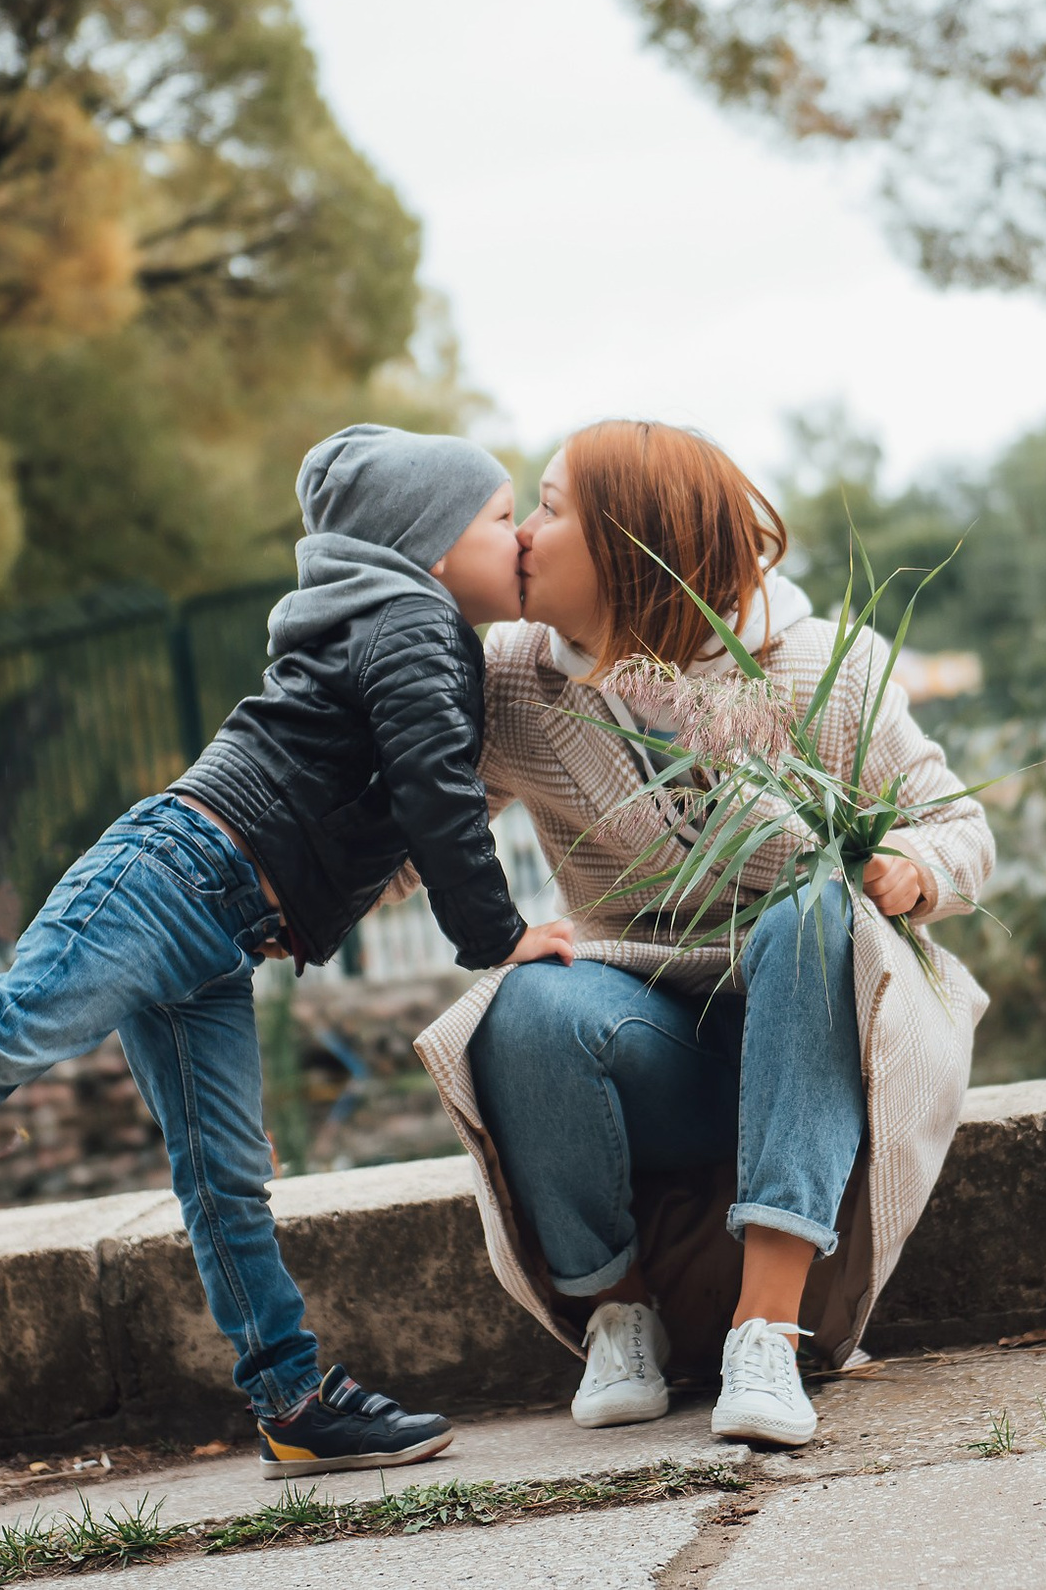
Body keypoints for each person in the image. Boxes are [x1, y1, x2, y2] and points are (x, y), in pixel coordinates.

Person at [0, 424, 577, 1477]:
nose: (517, 541)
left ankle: (289, 1393)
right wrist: (500, 939)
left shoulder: (396, 622)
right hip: (173, 876)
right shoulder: (415, 620)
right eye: (502, 519)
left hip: (219, 921)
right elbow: (436, 796)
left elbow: (383, 809)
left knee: (225, 1172)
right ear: (422, 544)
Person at [413, 419, 995, 1449]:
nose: (524, 536)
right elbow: (416, 836)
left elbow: (959, 826)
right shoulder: (511, 678)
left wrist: (909, 870)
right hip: (655, 1047)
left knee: (815, 911)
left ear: (633, 546)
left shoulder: (823, 671)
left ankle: (765, 1330)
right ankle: (619, 1316)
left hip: (821, 1024)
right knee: (527, 996)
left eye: (548, 509)